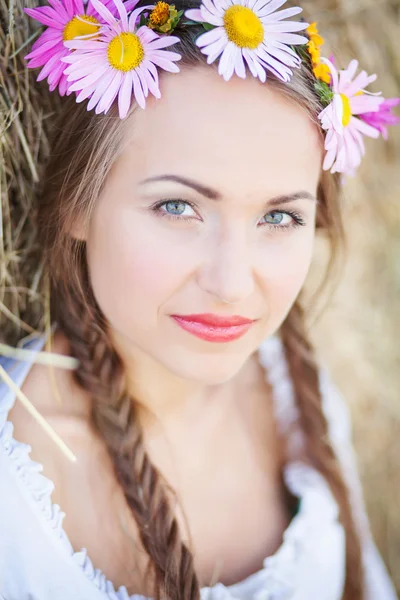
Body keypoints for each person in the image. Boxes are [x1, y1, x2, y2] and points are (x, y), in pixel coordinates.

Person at [0, 0, 399, 599]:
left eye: (280, 216)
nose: (233, 283)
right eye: (177, 207)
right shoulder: (16, 494)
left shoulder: (295, 394)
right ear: (77, 207)